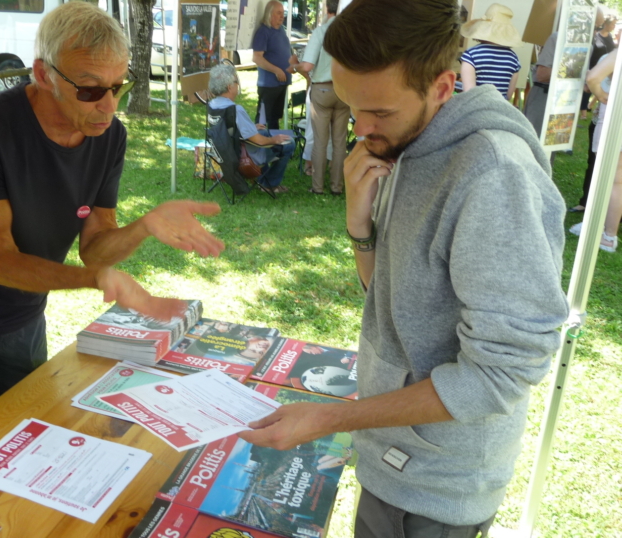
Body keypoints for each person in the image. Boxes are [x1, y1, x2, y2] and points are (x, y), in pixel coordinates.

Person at [238, 1, 569, 537]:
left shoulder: (493, 176)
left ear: (442, 87)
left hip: (438, 487)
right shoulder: (410, 142)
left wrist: (329, 418)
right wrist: (359, 221)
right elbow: (388, 298)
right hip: (392, 453)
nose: (361, 128)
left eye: (381, 112)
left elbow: (500, 375)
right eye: (351, 104)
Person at [0, 2, 225, 453]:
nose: (108, 106)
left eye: (118, 87)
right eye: (91, 90)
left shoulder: (108, 135)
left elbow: (95, 248)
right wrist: (94, 280)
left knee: (23, 440)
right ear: (43, 74)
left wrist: (144, 226)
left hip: (25, 313)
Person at [207, 63, 295, 193]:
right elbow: (258, 141)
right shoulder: (235, 110)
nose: (238, 84)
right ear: (229, 87)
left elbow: (226, 128)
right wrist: (274, 140)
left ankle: (261, 179)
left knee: (262, 131)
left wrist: (251, 127)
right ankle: (268, 184)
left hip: (224, 153)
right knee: (289, 143)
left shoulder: (212, 105)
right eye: (236, 81)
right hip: (243, 156)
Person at [569, 48, 621, 253]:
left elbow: (593, 77)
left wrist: (601, 95)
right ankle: (607, 234)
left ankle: (598, 229)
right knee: (617, 181)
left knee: (605, 176)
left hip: (615, 119)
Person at [295, 0, 347, 195]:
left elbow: (307, 66)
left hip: (322, 90)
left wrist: (294, 67)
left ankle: (317, 187)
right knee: (340, 141)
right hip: (343, 90)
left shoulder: (321, 31)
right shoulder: (349, 33)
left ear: (327, 9)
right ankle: (337, 186)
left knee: (320, 141)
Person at [572, 7, 617, 213]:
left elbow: (591, 79)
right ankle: (593, 205)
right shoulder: (610, 55)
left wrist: (601, 97)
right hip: (606, 114)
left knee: (600, 164)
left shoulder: (614, 56)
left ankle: (595, 209)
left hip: (609, 117)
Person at [459, 3, 522, 101]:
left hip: (476, 111)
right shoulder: (513, 59)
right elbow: (508, 95)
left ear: (482, 28)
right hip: (500, 111)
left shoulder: (471, 55)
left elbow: (469, 93)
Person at [252, 0, 298, 129]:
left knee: (275, 118)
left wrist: (294, 65)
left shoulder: (281, 30)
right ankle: (260, 147)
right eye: (278, 13)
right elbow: (257, 58)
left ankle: (274, 147)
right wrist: (276, 70)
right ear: (270, 14)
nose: (282, 16)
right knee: (262, 120)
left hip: (282, 83)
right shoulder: (264, 31)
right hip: (269, 85)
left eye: (283, 13)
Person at [524, 31, 557, 137]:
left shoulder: (586, 43)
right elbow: (542, 74)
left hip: (564, 98)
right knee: (534, 139)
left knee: (552, 142)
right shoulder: (557, 38)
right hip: (544, 94)